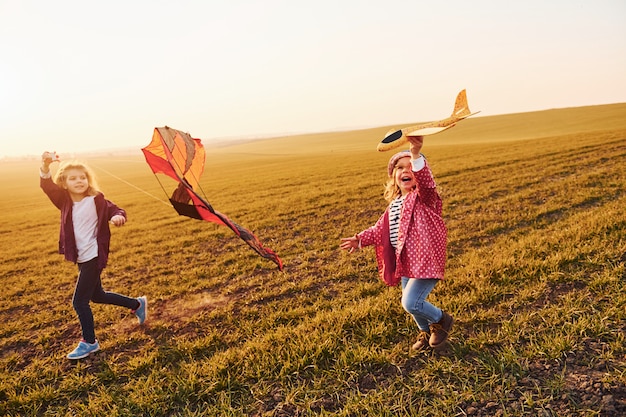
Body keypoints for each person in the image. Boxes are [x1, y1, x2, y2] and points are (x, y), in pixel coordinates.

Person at [340, 136, 453, 350]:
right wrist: (360, 239)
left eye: (411, 167)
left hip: (425, 261)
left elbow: (427, 183)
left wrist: (416, 153)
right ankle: (425, 332)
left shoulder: (425, 199)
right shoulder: (393, 206)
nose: (405, 170)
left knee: (411, 302)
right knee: (411, 305)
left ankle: (441, 320)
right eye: (400, 168)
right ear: (394, 177)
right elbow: (379, 231)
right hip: (406, 263)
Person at [40, 152, 147, 360]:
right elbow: (46, 186)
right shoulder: (63, 201)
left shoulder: (96, 200)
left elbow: (116, 209)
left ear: (88, 180)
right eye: (72, 178)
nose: (79, 181)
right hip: (81, 256)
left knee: (79, 302)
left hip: (94, 255)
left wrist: (118, 216)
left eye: (82, 177)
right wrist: (45, 166)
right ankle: (137, 304)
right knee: (97, 295)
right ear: (63, 182)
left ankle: (90, 342)